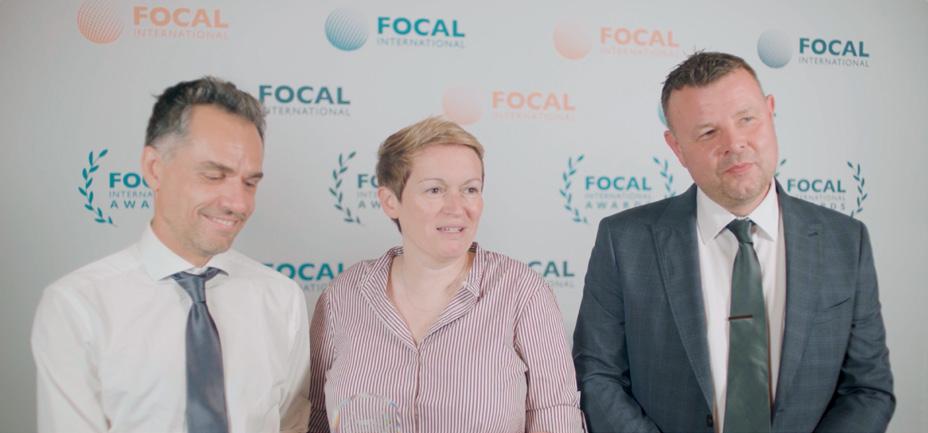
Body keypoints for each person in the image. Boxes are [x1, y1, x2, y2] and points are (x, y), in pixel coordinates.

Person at [573, 52, 894, 433]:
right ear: (677, 148)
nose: (735, 143)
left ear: (770, 112)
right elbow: (598, 377)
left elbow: (867, 389)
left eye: (746, 119)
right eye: (708, 132)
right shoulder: (624, 242)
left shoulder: (846, 242)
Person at [31, 77, 311, 433]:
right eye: (214, 176)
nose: (239, 203)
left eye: (250, 183)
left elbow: (292, 425)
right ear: (154, 168)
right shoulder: (77, 306)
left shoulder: (282, 298)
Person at [308, 117, 585, 432]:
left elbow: (555, 415)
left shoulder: (522, 292)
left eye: (470, 189)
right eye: (435, 190)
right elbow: (315, 417)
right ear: (390, 201)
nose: (456, 207)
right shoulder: (343, 295)